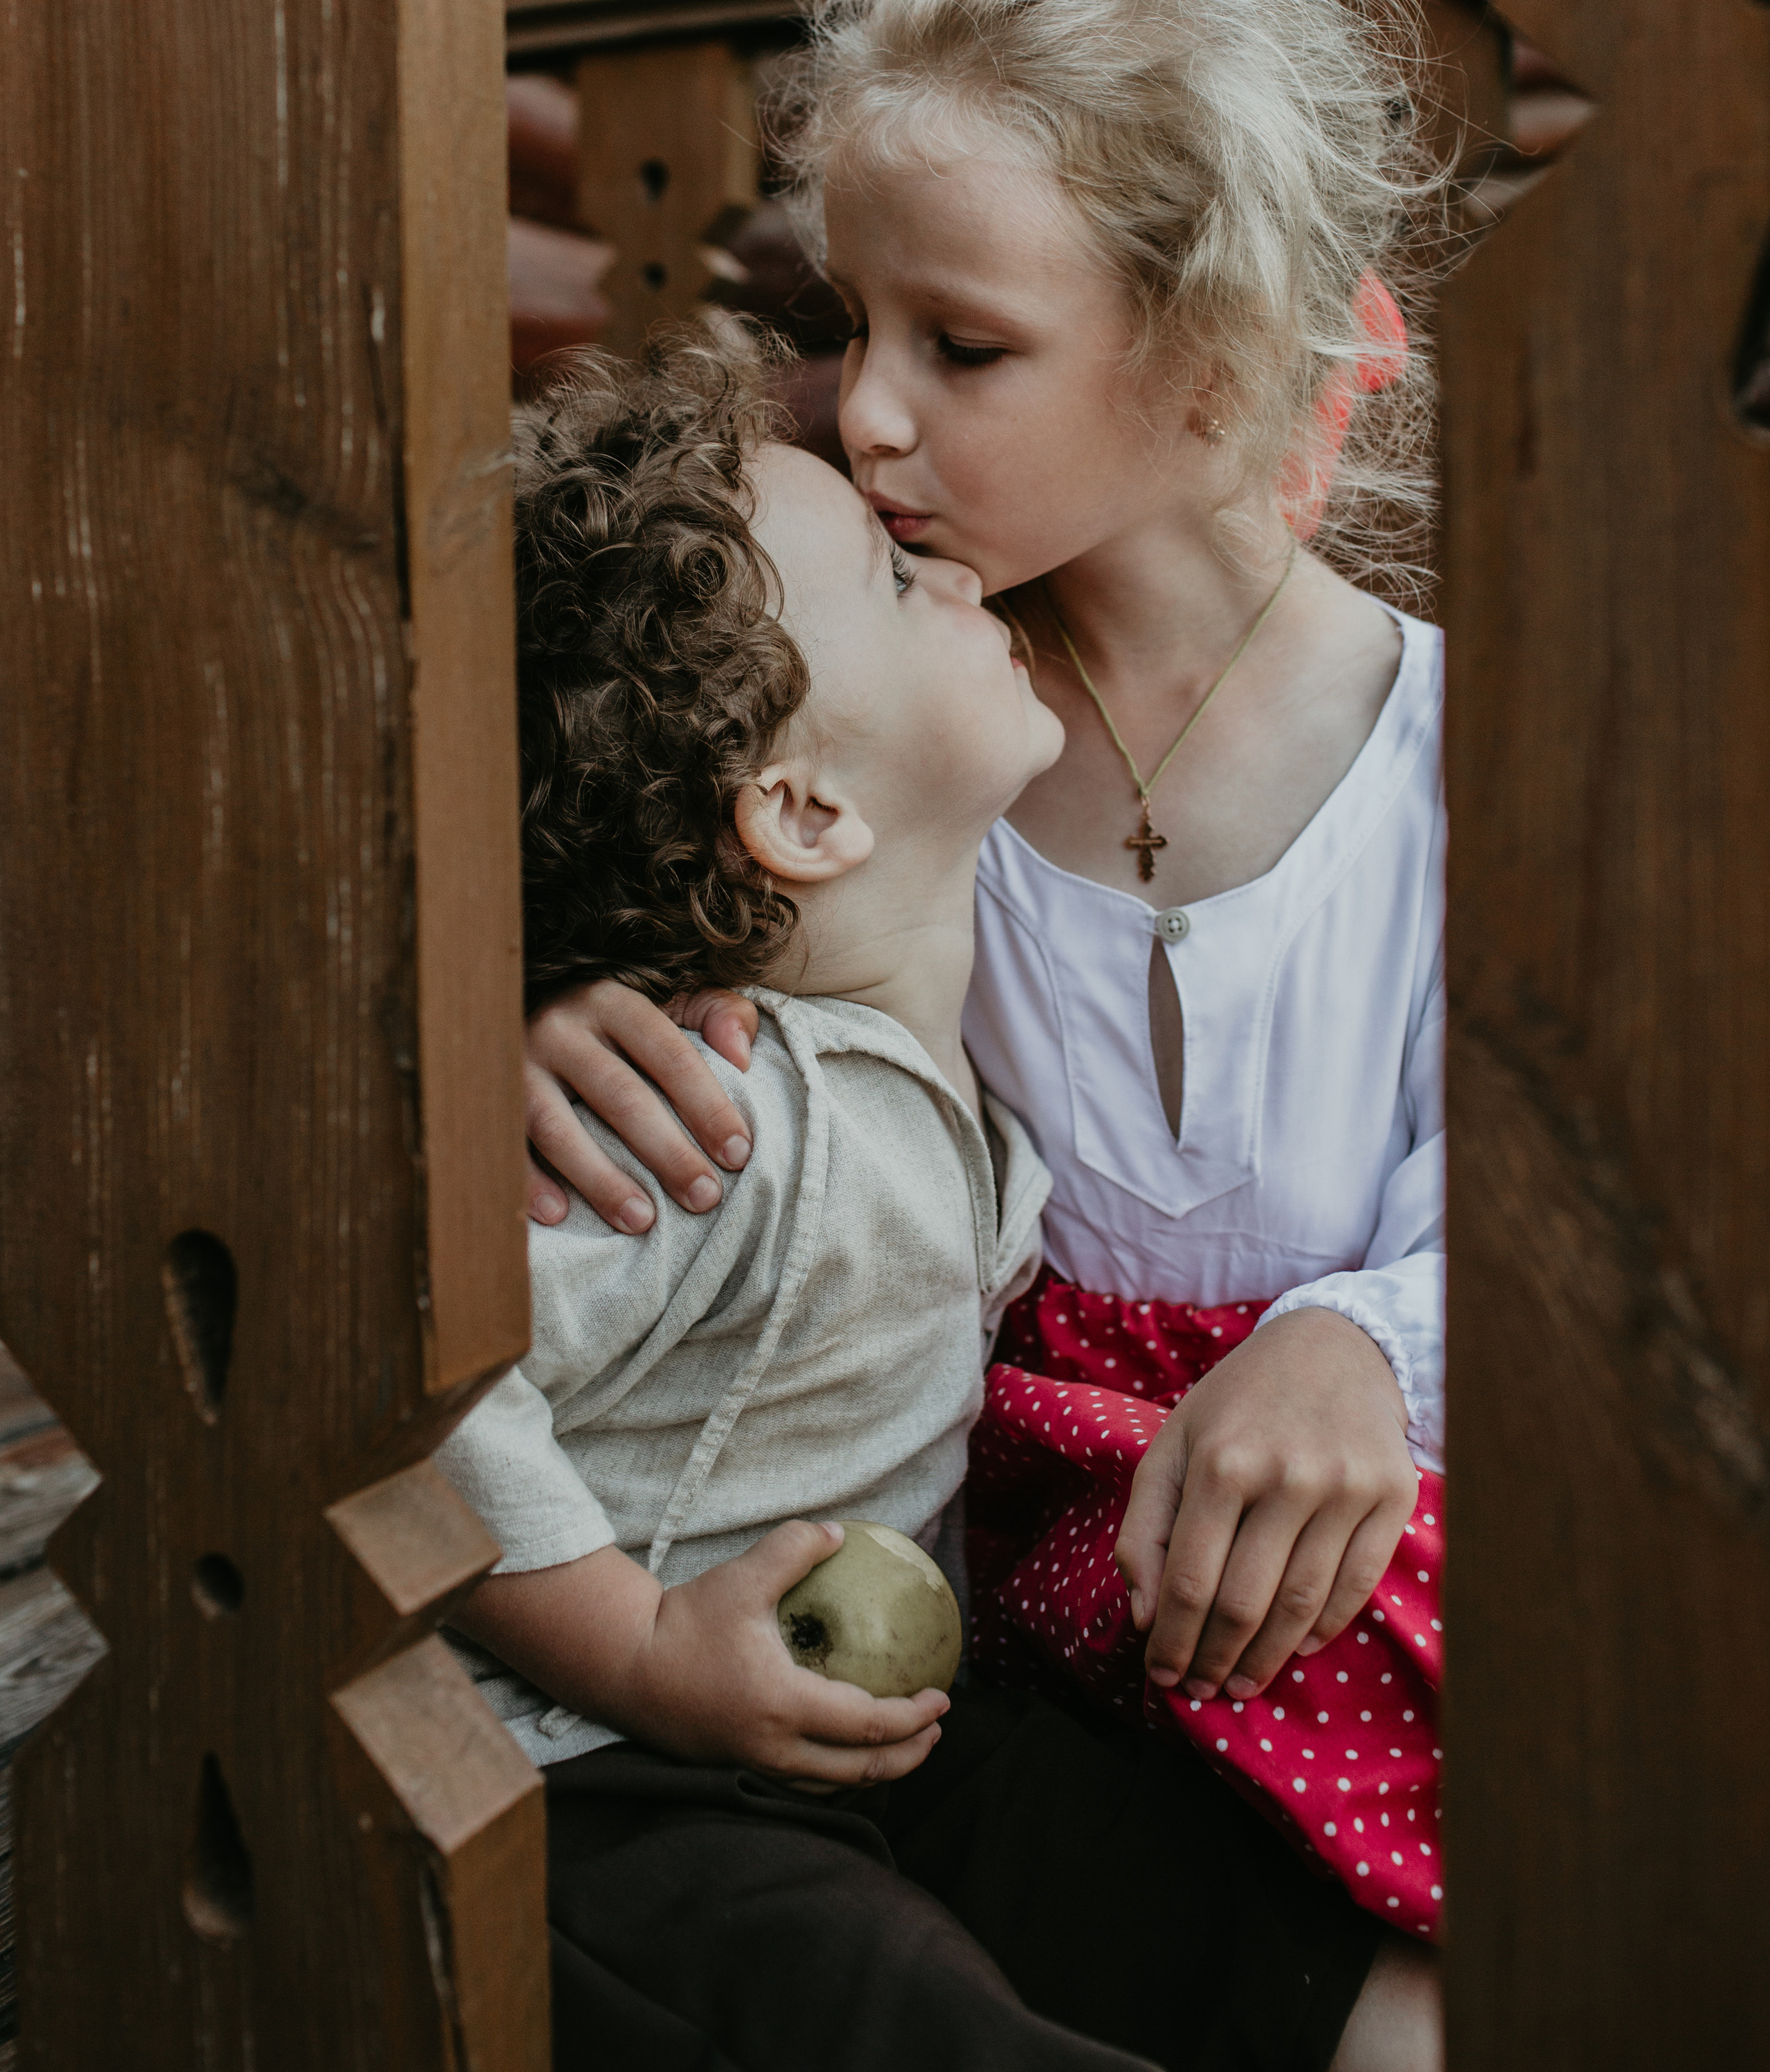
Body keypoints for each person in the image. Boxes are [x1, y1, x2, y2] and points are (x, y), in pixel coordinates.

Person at [520, 0, 1449, 2066]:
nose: (868, 414)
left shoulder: (1449, 766)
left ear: (1215, 359)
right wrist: (537, 1005)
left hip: (1342, 1595)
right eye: (852, 327)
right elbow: (625, 854)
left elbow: (1604, 1186)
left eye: (968, 344)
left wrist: (1376, 1346)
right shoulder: (877, 722)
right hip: (962, 1644)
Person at [441, 336, 1392, 2072]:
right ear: (802, 812)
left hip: (882, 1741)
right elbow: (420, 1390)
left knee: (1267, 1936)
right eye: (892, 578)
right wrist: (640, 1648)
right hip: (609, 1776)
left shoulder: (955, 1072)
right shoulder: (704, 1112)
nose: (948, 564)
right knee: (901, 2022)